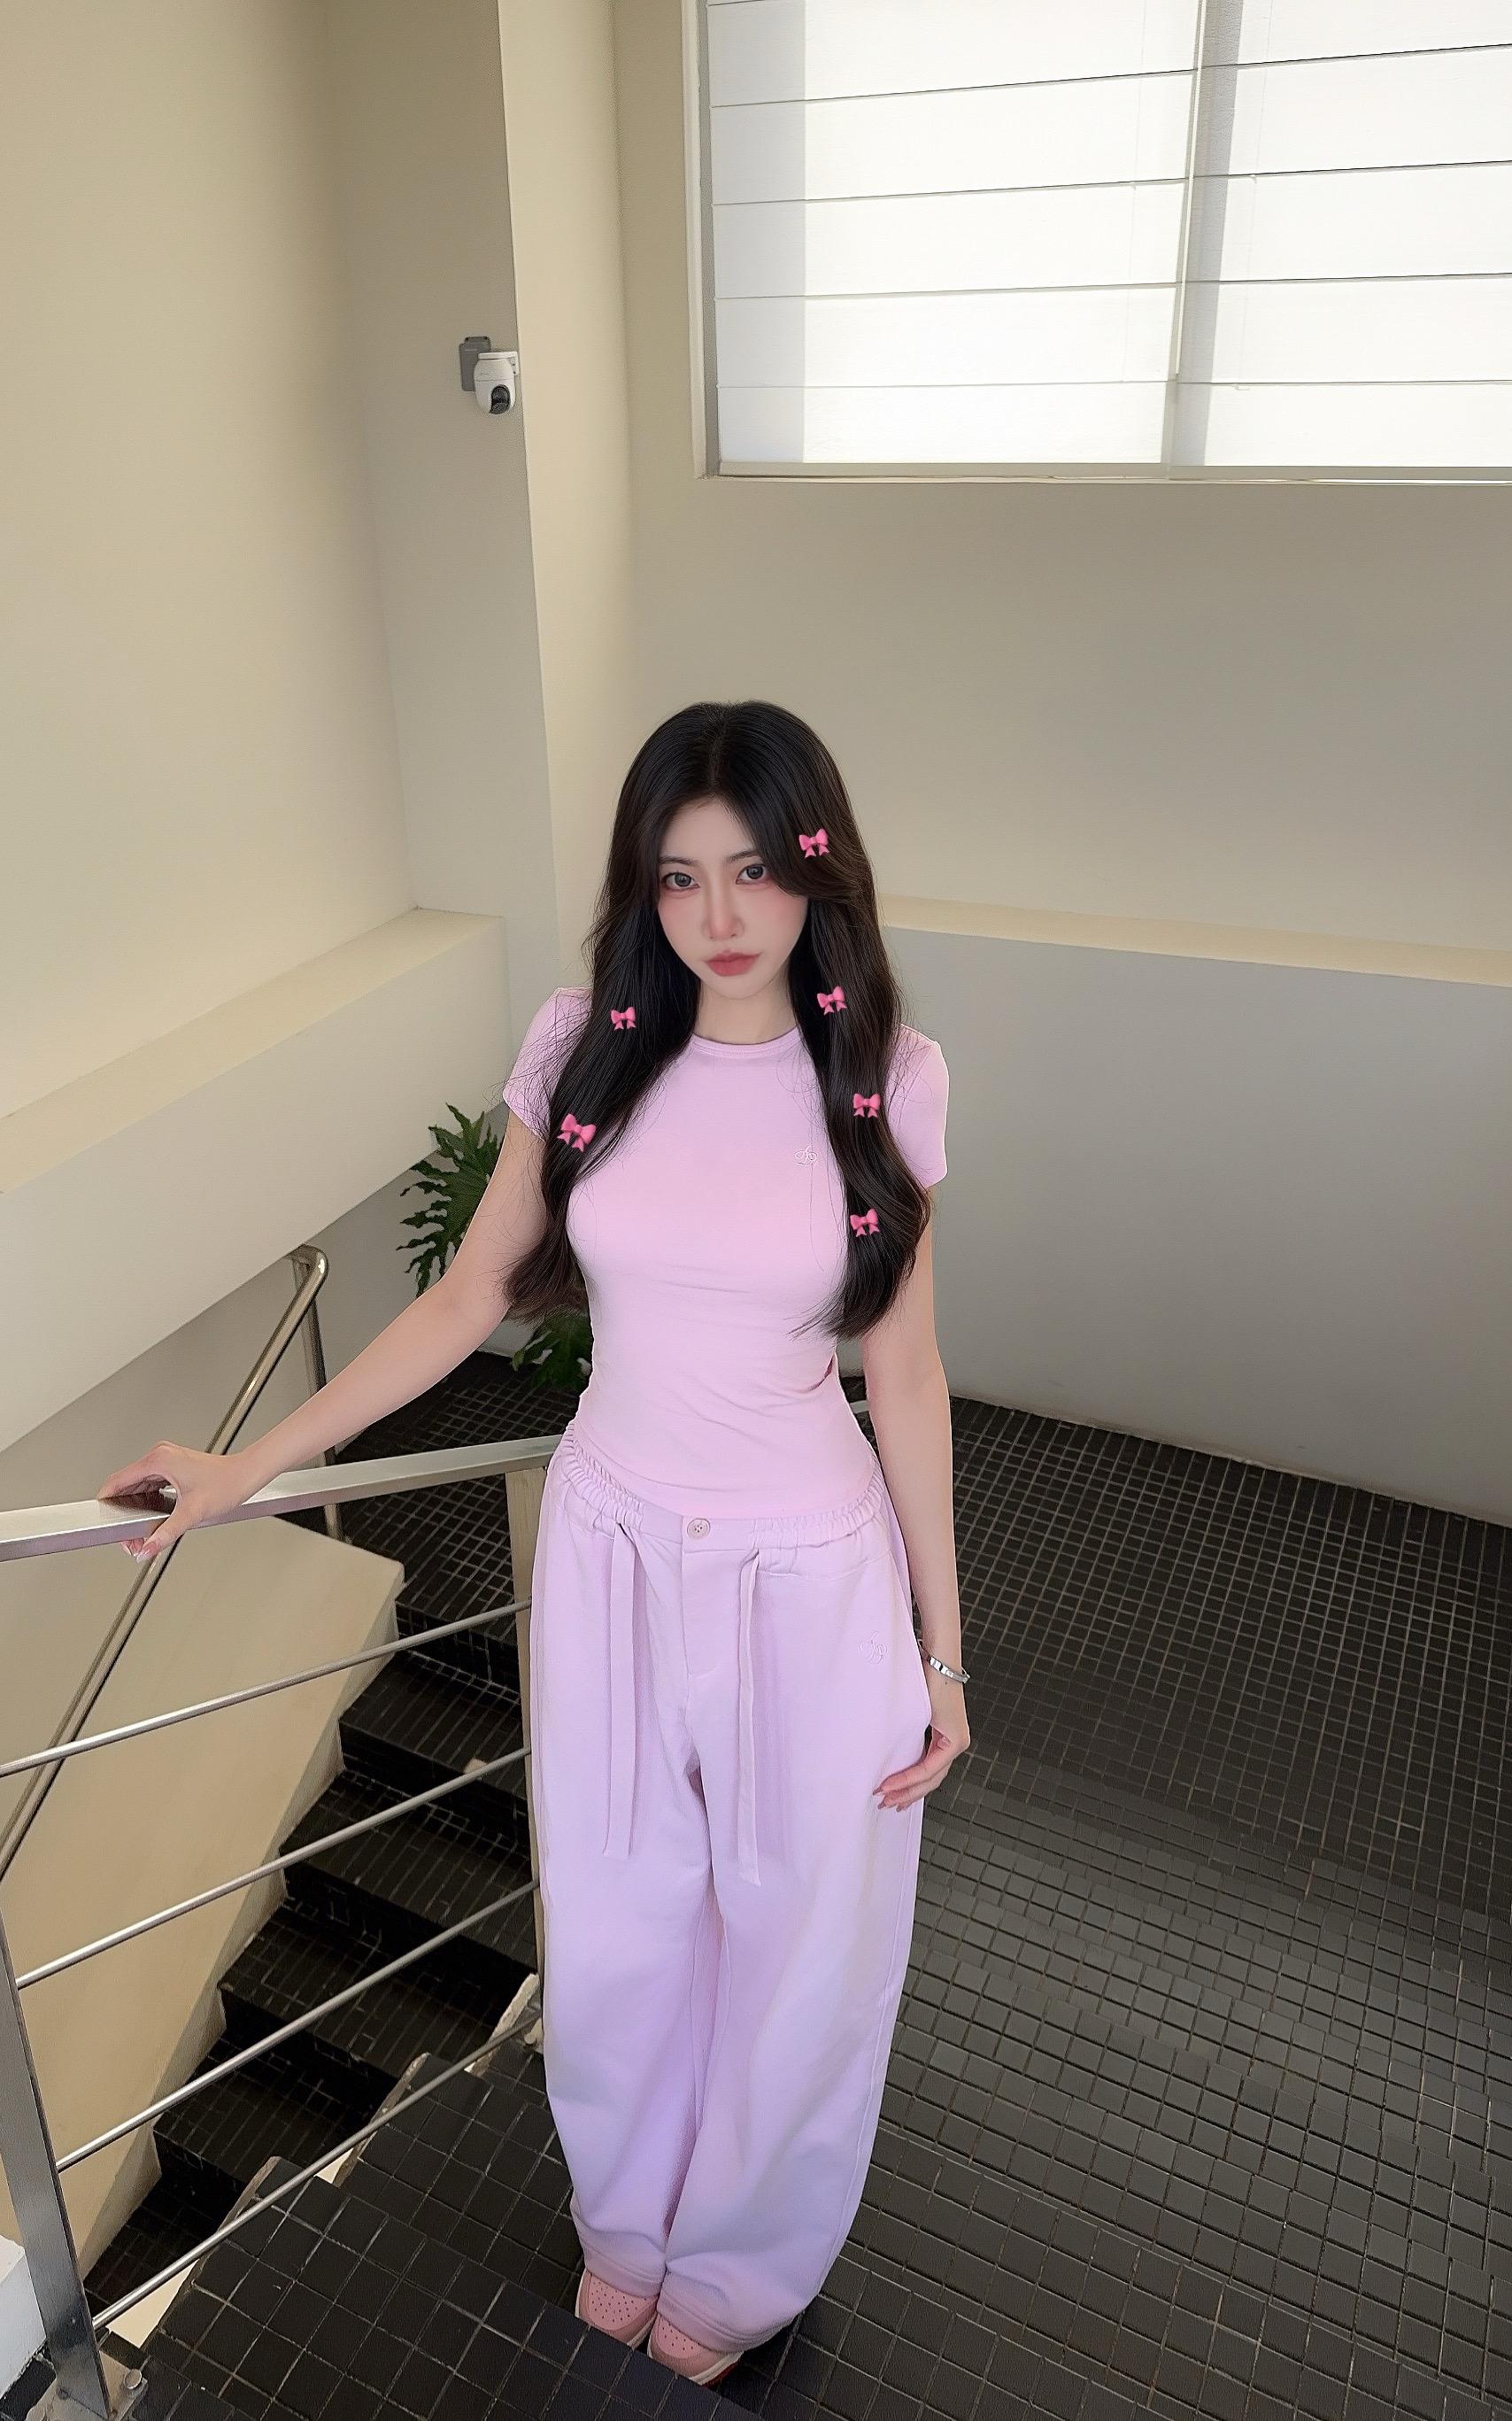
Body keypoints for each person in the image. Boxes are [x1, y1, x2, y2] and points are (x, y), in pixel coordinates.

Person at [96, 699, 969, 2390]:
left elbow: (911, 1375)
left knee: (798, 1942)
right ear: (642, 888)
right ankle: (628, 2232)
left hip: (811, 1571)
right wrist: (249, 1463)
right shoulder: (586, 1049)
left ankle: (739, 2268)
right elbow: (468, 1299)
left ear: (817, 870)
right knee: (623, 1916)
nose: (719, 914)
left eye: (754, 870)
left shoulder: (886, 1076)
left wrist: (942, 1655)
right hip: (609, 1548)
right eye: (678, 876)